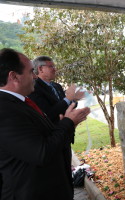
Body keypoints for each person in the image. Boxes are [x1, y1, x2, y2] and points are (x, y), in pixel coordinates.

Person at [0, 48, 90, 200]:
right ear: (14, 76)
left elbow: (43, 135)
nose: (35, 76)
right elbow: (42, 152)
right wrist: (68, 122)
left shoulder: (20, 102)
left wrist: (68, 124)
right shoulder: (4, 109)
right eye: (31, 72)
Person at [29, 56, 85, 124]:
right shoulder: (34, 88)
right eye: (51, 66)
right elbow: (48, 114)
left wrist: (74, 99)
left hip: (66, 129)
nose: (55, 69)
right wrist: (68, 98)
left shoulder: (57, 86)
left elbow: (64, 106)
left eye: (54, 66)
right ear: (40, 69)